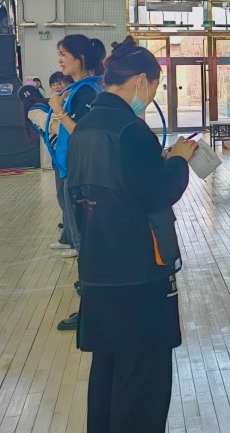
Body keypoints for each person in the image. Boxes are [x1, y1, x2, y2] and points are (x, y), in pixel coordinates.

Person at [67, 38, 198, 432]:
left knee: (107, 371)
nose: (152, 94)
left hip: (98, 266)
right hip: (137, 271)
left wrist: (158, 163)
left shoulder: (86, 126)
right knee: (142, 380)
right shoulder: (129, 129)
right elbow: (157, 192)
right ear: (141, 80)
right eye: (155, 86)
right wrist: (178, 162)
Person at [48, 35, 106, 259]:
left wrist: (59, 111)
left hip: (80, 163)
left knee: (77, 208)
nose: (60, 60)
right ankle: (75, 243)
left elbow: (82, 132)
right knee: (68, 204)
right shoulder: (77, 89)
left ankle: (83, 251)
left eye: (63, 55)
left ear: (80, 58)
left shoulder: (87, 91)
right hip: (69, 159)